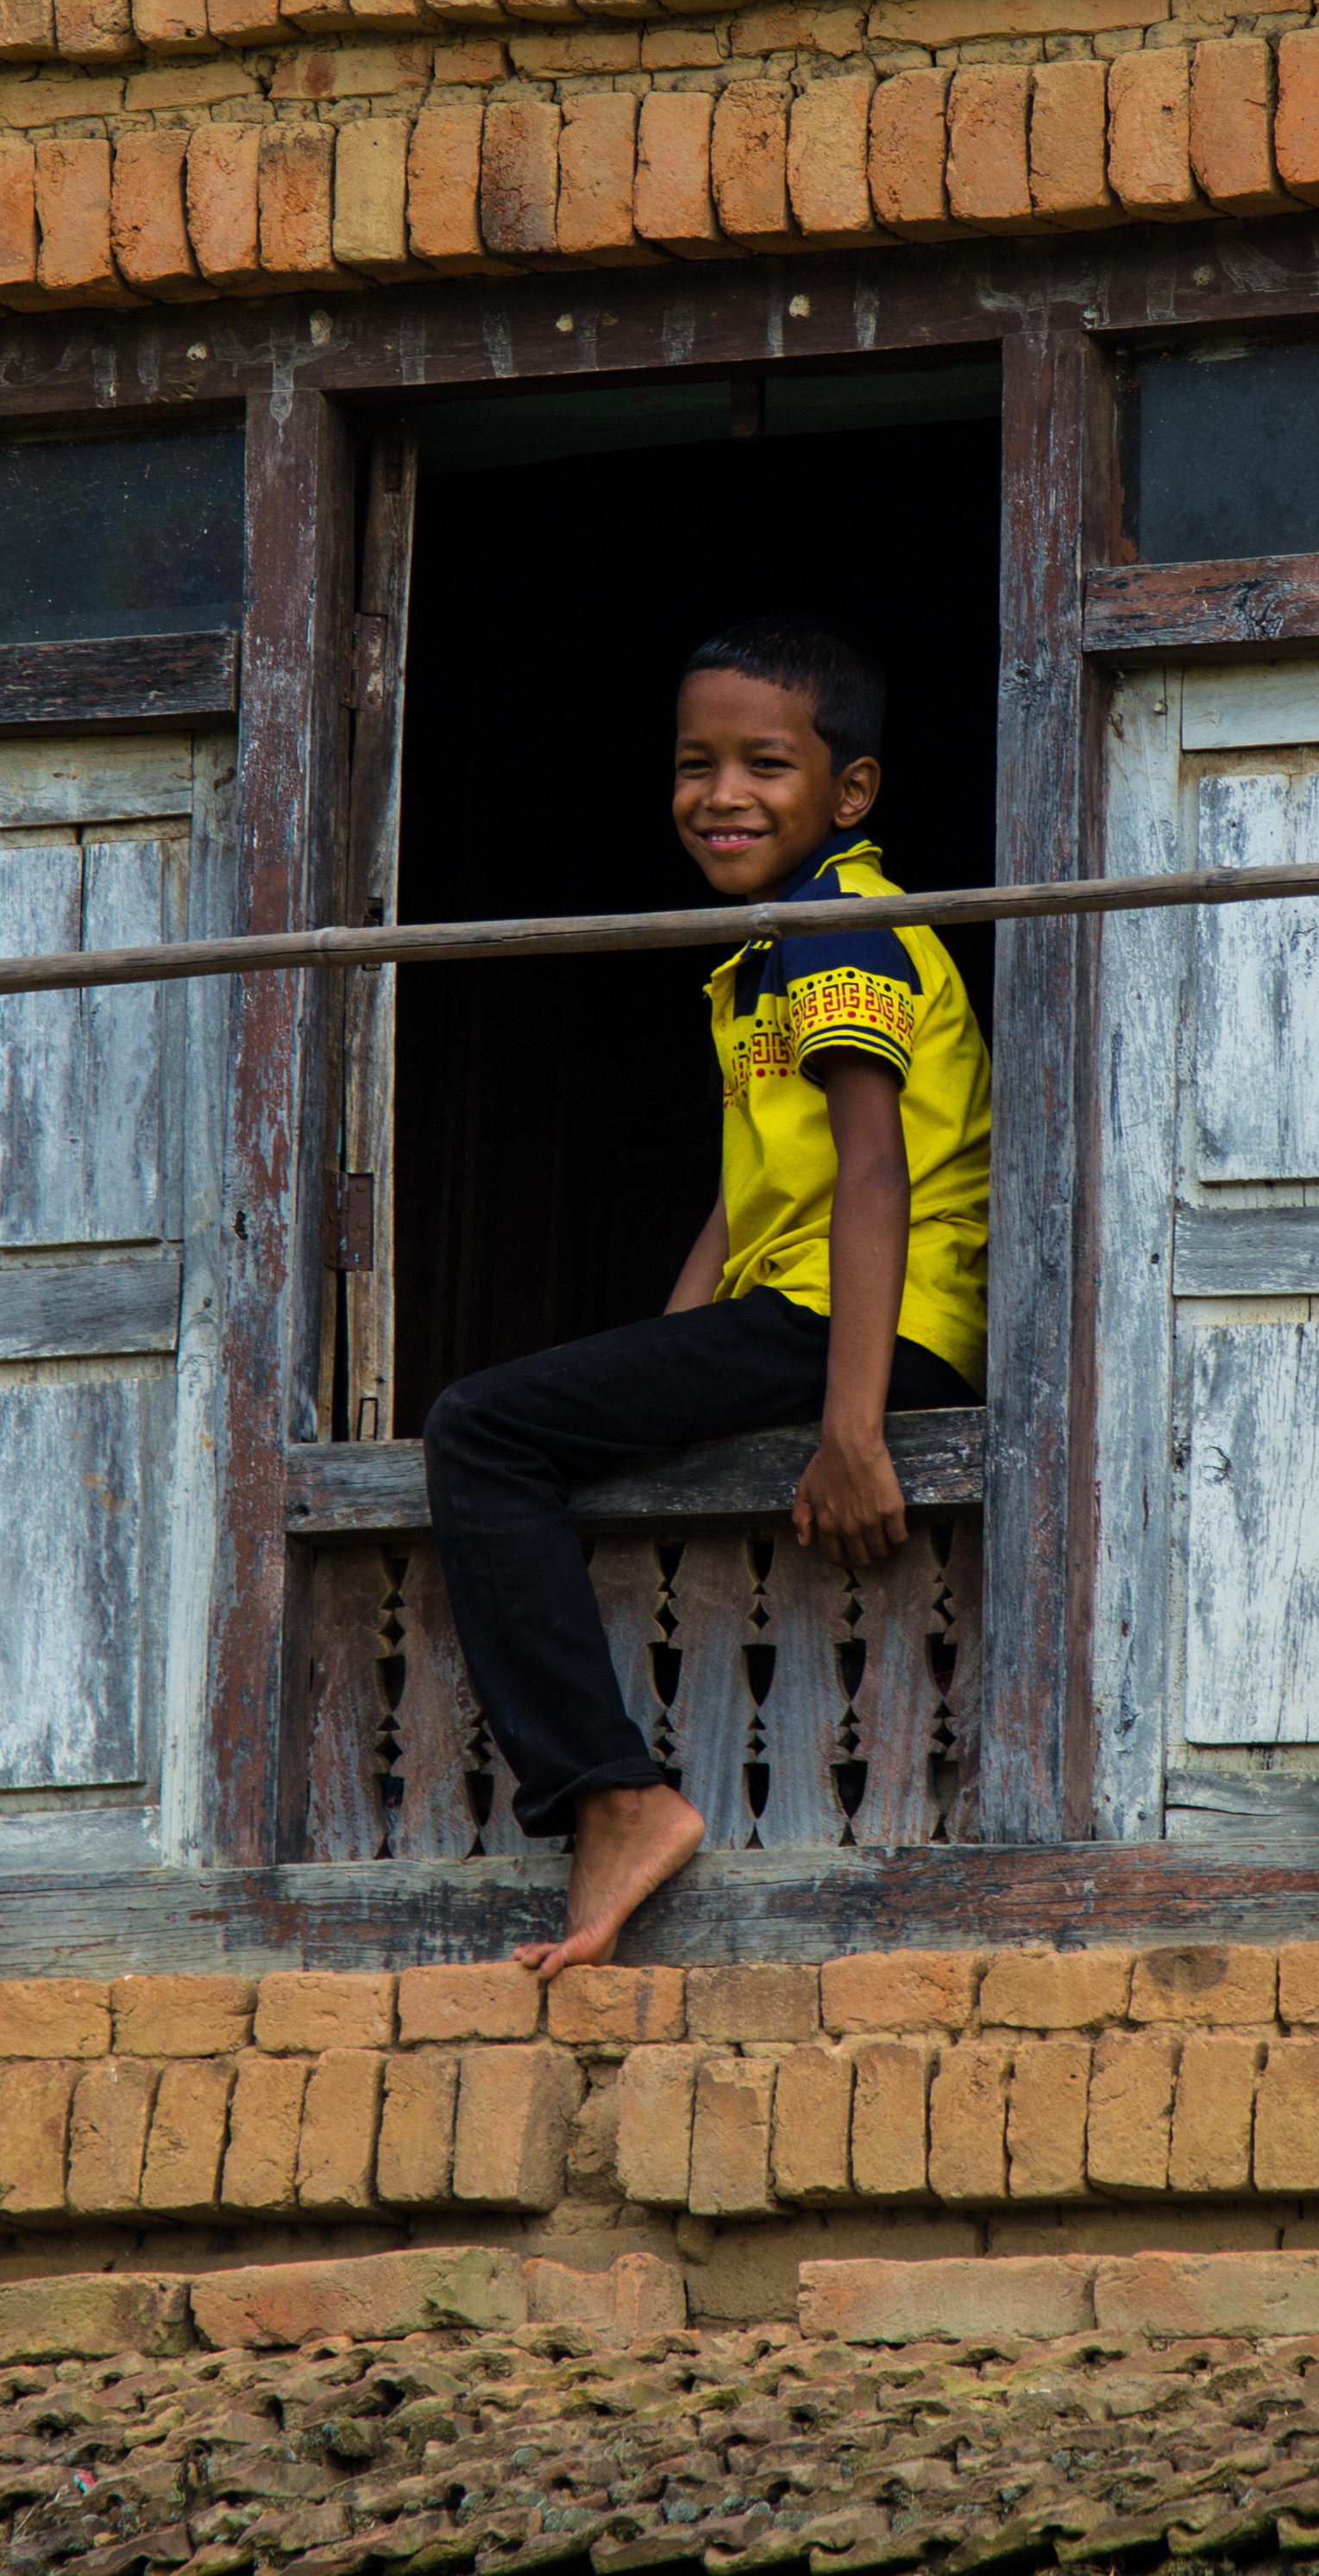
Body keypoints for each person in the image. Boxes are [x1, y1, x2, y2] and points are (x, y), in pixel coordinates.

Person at [420, 618, 993, 1977]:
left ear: (847, 793)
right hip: (809, 1311)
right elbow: (750, 1193)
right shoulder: (767, 951)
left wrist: (853, 1426)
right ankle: (616, 1792)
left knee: (481, 1432)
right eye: (695, 764)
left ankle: (614, 1798)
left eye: (765, 764)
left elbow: (871, 1173)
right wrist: (660, 1362)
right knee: (545, 1413)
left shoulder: (836, 921)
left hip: (864, 1324)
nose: (721, 794)